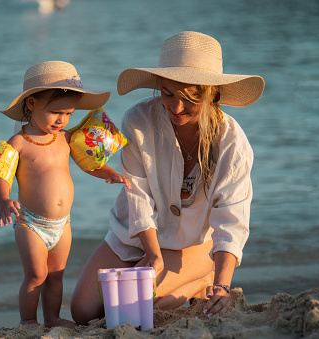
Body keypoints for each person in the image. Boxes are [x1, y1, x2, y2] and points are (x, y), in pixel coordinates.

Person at [71, 31, 265, 324]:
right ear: (159, 87)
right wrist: (152, 255)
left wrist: (222, 286)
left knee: (134, 310)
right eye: (168, 94)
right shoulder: (137, 121)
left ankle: (202, 280)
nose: (176, 107)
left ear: (211, 92)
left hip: (194, 245)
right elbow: (137, 197)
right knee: (83, 312)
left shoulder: (232, 143)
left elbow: (232, 220)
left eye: (191, 97)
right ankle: (180, 280)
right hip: (135, 235)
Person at [0, 61, 131, 328]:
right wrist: (3, 199)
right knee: (36, 275)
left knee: (56, 275)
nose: (62, 120)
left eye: (68, 114)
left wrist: (108, 173)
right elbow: (2, 174)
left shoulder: (66, 138)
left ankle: (53, 318)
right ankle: (27, 321)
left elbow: (87, 163)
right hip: (31, 222)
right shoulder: (18, 143)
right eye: (56, 112)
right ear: (32, 103)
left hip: (63, 223)